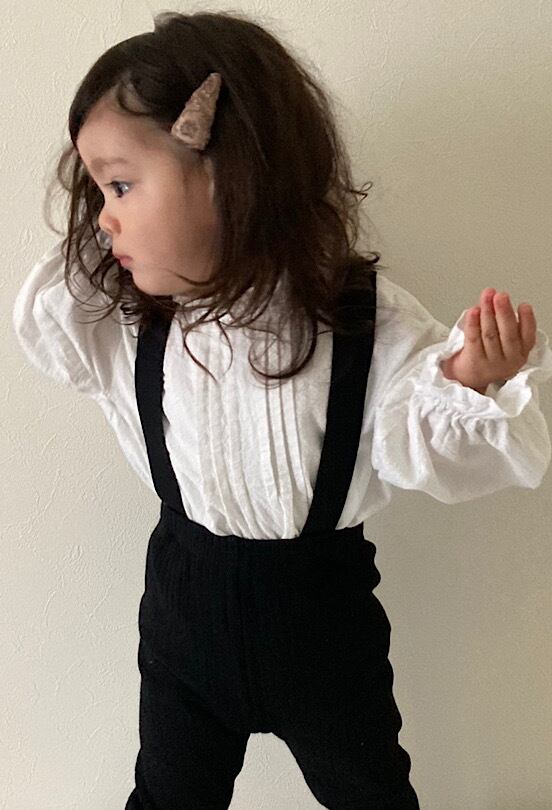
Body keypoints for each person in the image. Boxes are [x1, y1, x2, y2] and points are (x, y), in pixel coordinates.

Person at [12, 10, 552, 810]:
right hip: (183, 621)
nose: (103, 217)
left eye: (120, 185)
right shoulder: (129, 326)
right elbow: (57, 307)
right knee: (165, 796)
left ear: (230, 170)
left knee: (372, 796)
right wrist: (125, 209)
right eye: (97, 190)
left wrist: (468, 379)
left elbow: (418, 431)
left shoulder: (359, 318)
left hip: (322, 628)